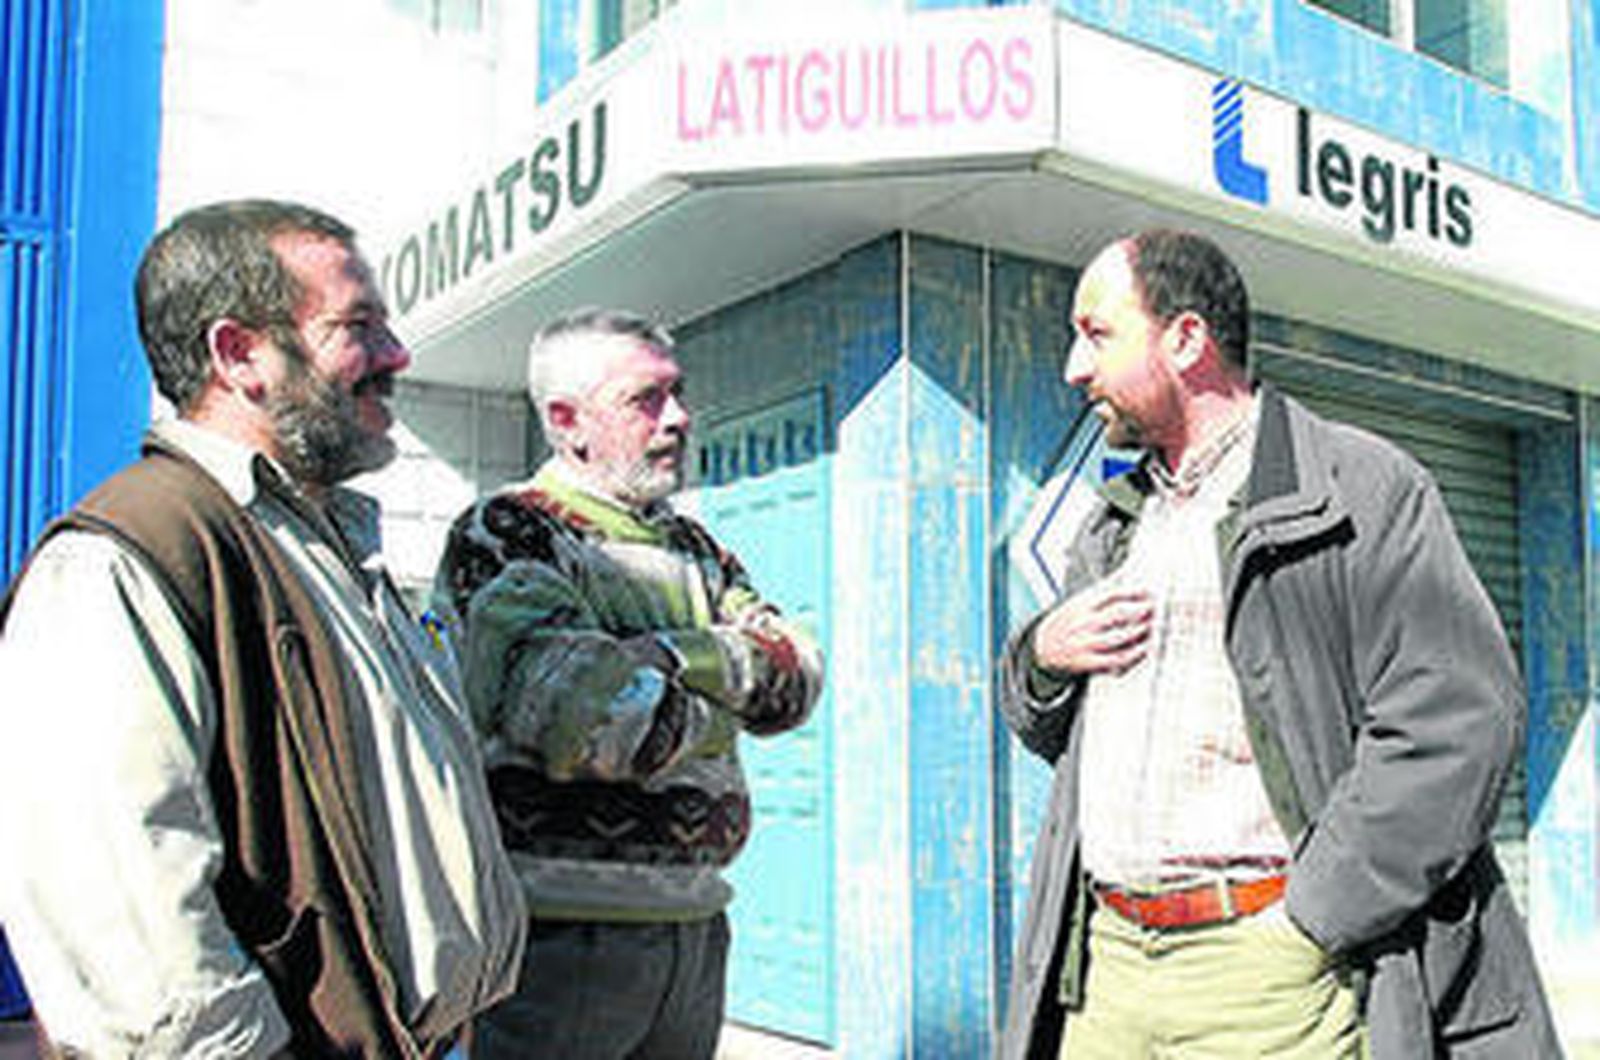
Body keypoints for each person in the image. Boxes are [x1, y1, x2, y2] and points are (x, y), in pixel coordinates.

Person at [998, 229, 1561, 1059]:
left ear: (1186, 339)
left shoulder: (1359, 489)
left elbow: (1458, 720)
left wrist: (1313, 916)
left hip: (1265, 969)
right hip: (1107, 967)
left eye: (1097, 334)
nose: (1073, 368)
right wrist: (1041, 655)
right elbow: (1059, 733)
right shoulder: (1115, 521)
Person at [0, 199, 526, 1058]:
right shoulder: (127, 557)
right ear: (238, 353)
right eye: (357, 325)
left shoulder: (328, 544)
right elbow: (117, 910)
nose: (396, 355)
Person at [432, 307, 823, 1059]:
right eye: (647, 399)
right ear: (566, 420)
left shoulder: (698, 549)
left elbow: (797, 680)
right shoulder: (510, 532)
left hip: (696, 933)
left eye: (678, 394)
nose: (678, 418)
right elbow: (599, 725)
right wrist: (726, 686)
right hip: (559, 943)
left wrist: (667, 659)